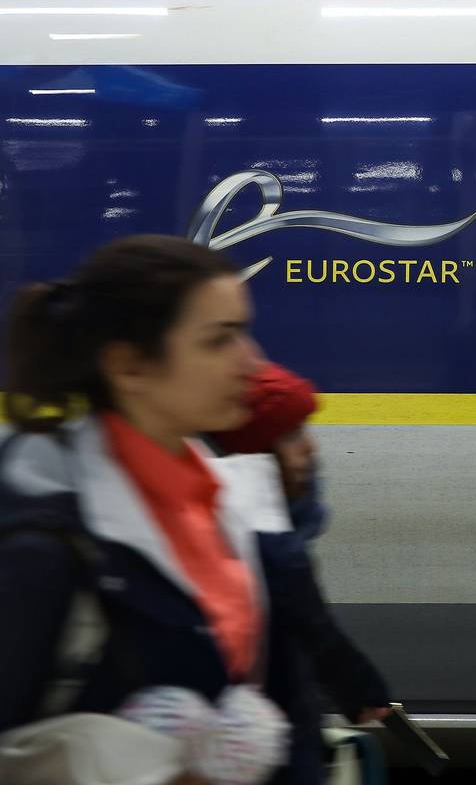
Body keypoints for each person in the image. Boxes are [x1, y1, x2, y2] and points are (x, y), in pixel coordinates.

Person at [0, 235, 286, 783]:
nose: (253, 363)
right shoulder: (46, 542)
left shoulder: (229, 497)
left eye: (244, 333)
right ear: (129, 366)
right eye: (219, 341)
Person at [208, 363, 391, 785]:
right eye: (290, 435)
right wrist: (363, 690)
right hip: (267, 734)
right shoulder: (266, 538)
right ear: (256, 453)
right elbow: (312, 626)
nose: (310, 448)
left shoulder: (261, 520)